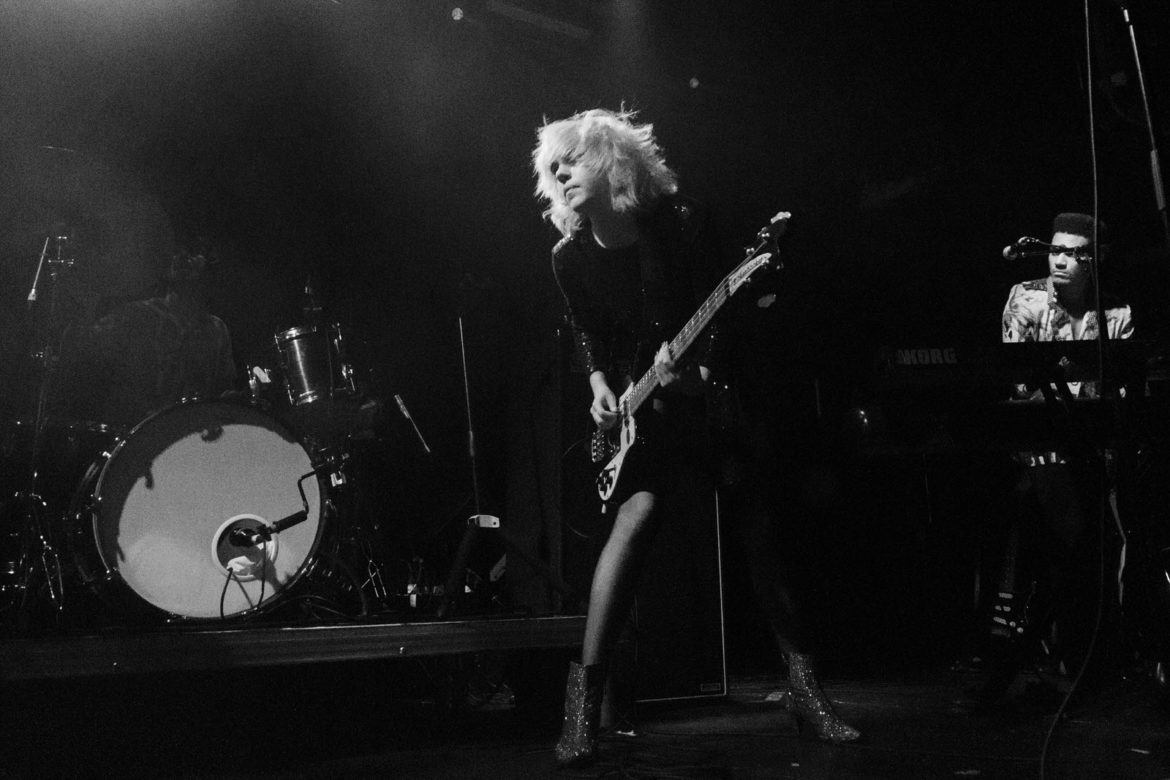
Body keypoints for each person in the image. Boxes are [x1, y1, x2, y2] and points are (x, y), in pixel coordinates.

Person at [532, 108, 859, 768]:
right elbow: (588, 331)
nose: (560, 171)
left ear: (614, 162)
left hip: (708, 399)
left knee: (758, 527)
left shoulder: (681, 225)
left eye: (574, 158)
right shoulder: (568, 258)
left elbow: (723, 313)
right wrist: (599, 383)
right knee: (635, 520)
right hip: (639, 409)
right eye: (552, 166)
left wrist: (700, 375)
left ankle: (804, 689)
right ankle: (584, 710)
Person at [971, 212, 1133, 708]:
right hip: (1038, 452)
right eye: (1056, 249)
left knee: (1109, 522)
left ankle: (1084, 653)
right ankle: (1031, 653)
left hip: (1093, 455)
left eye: (1074, 252)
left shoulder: (1118, 312)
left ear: (1096, 259)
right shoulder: (1026, 297)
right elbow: (1024, 387)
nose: (1061, 260)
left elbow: (1121, 396)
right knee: (1059, 523)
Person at [56, 242, 236, 430]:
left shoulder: (216, 329)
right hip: (133, 436)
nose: (182, 257)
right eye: (177, 251)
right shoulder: (135, 315)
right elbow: (83, 357)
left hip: (189, 440)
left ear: (211, 266)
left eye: (194, 251)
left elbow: (222, 391)